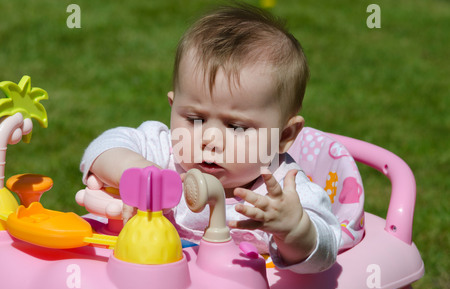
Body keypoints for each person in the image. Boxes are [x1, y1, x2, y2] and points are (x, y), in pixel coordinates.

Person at [80, 4, 341, 273]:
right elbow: (102, 147)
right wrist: (137, 171)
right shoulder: (166, 150)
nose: (209, 139)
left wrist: (294, 230)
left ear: (284, 136)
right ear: (173, 107)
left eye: (236, 127)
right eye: (195, 120)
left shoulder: (285, 195)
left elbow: (325, 256)